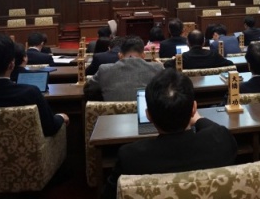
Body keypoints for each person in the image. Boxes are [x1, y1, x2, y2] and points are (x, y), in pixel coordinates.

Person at [102, 69, 238, 199]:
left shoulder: (130, 157)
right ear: (194, 108)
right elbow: (215, 130)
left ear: (148, 115)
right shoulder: (221, 140)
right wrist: (198, 118)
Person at [83, 36, 163, 101]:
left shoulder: (104, 70)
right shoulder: (157, 68)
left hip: (112, 116)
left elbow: (87, 89)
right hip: (146, 115)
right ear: (143, 55)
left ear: (120, 56)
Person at [164, 30, 233, 69]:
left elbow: (167, 65)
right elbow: (230, 64)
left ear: (188, 43)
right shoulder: (213, 55)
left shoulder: (182, 58)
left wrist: (175, 59)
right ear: (203, 43)